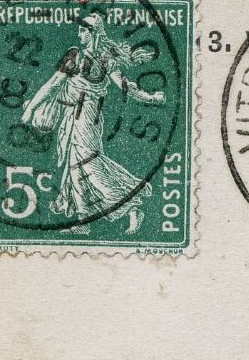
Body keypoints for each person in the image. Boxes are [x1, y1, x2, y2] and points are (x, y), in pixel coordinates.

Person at [20, 13, 165, 235]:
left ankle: (129, 207)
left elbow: (125, 86)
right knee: (76, 165)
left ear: (93, 32)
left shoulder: (93, 58)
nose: (79, 34)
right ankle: (83, 220)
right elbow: (53, 85)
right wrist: (151, 97)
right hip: (80, 116)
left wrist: (151, 98)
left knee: (86, 165)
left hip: (85, 118)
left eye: (84, 30)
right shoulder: (82, 56)